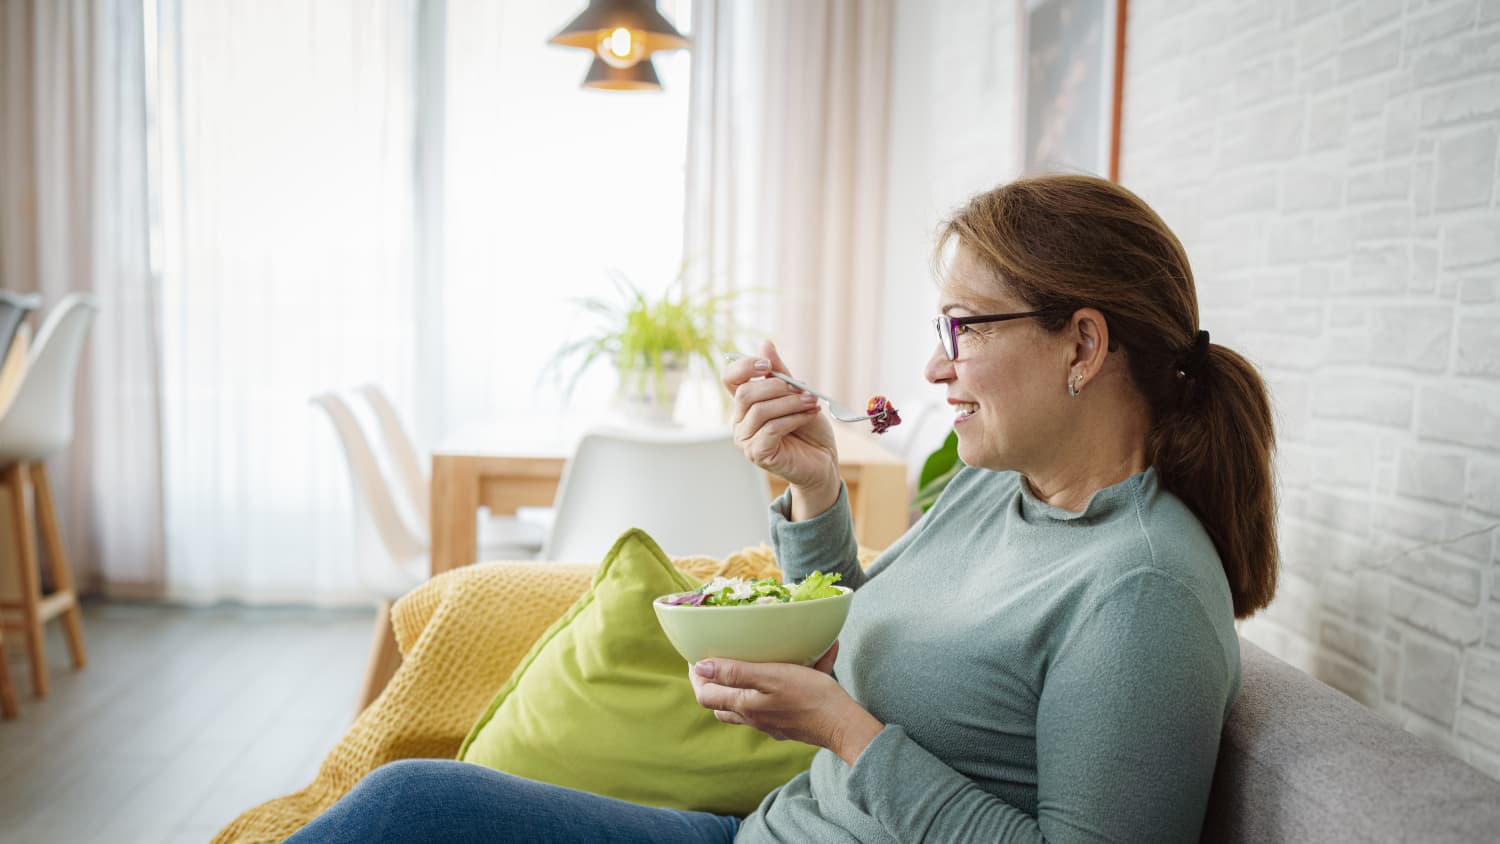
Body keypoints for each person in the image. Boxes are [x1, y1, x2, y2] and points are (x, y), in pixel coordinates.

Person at [286, 173, 1278, 843]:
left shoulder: (1141, 591)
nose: (936, 365)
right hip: (770, 831)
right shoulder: (994, 487)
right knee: (409, 805)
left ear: (1084, 345)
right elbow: (863, 624)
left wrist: (846, 734)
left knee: (404, 814)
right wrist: (813, 486)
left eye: (964, 328)